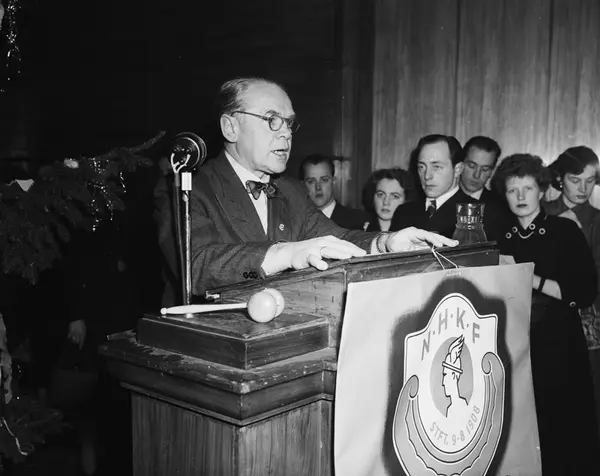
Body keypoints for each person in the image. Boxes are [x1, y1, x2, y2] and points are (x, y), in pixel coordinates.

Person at [184, 77, 457, 296]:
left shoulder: (291, 191)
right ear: (230, 128)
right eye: (271, 120)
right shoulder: (188, 188)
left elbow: (337, 239)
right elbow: (196, 266)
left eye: (289, 123)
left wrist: (385, 243)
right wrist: (286, 253)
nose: (286, 132)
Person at [492, 153, 599, 475]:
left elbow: (583, 293)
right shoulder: (498, 235)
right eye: (513, 190)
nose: (520, 196)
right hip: (512, 347)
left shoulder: (564, 230)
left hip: (559, 346)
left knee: (561, 434)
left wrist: (527, 276)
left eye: (527, 188)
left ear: (541, 190)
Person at [543, 145, 600, 438]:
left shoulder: (597, 219)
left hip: (589, 316)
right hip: (546, 314)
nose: (583, 188)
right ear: (560, 178)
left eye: (590, 181)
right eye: (575, 180)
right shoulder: (543, 212)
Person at [299, 153, 366, 230]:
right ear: (302, 185)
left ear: (333, 181)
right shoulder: (294, 224)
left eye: (324, 180)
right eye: (311, 181)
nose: (318, 187)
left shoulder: (357, 221)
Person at [362, 167, 415, 232]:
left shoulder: (415, 233)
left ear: (406, 199)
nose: (386, 202)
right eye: (380, 194)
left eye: (395, 196)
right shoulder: (358, 232)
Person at [459, 135, 503, 202]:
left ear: (492, 172)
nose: (476, 175)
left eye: (484, 169)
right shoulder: (442, 200)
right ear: (460, 164)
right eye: (471, 166)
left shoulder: (500, 206)